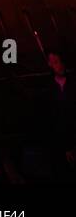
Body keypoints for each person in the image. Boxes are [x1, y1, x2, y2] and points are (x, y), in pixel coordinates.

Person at [42, 50, 76, 178]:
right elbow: (51, 118)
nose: (60, 65)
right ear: (50, 64)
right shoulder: (48, 88)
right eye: (55, 62)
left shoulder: (73, 83)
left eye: (60, 62)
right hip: (59, 142)